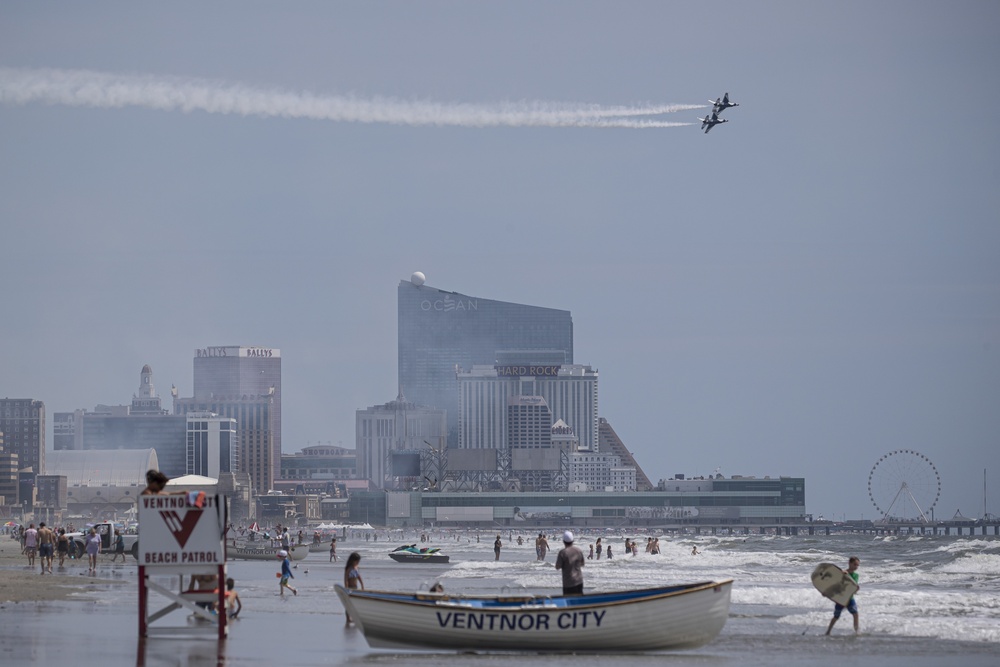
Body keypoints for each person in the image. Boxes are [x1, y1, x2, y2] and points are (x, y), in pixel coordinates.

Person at [826, 557, 861, 635]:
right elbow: (836, 584)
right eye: (854, 564)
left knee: (855, 614)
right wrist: (826, 592)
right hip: (841, 598)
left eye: (857, 565)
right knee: (836, 616)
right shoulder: (841, 573)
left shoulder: (856, 575)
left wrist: (856, 588)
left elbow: (853, 586)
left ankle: (857, 631)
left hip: (850, 598)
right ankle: (828, 631)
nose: (856, 567)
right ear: (849, 563)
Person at [554, 531, 585, 596]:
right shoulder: (578, 550)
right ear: (573, 541)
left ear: (563, 541)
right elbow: (582, 563)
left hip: (568, 582)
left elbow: (557, 567)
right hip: (579, 580)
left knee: (569, 600)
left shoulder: (563, 553)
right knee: (579, 600)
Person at [343, 552, 364, 625]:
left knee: (355, 603)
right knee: (349, 603)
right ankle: (348, 618)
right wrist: (346, 588)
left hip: (355, 588)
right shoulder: (349, 569)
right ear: (352, 560)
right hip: (350, 588)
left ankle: (354, 617)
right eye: (357, 561)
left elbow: (359, 577)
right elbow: (346, 579)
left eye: (358, 561)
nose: (358, 562)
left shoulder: (356, 568)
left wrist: (362, 585)